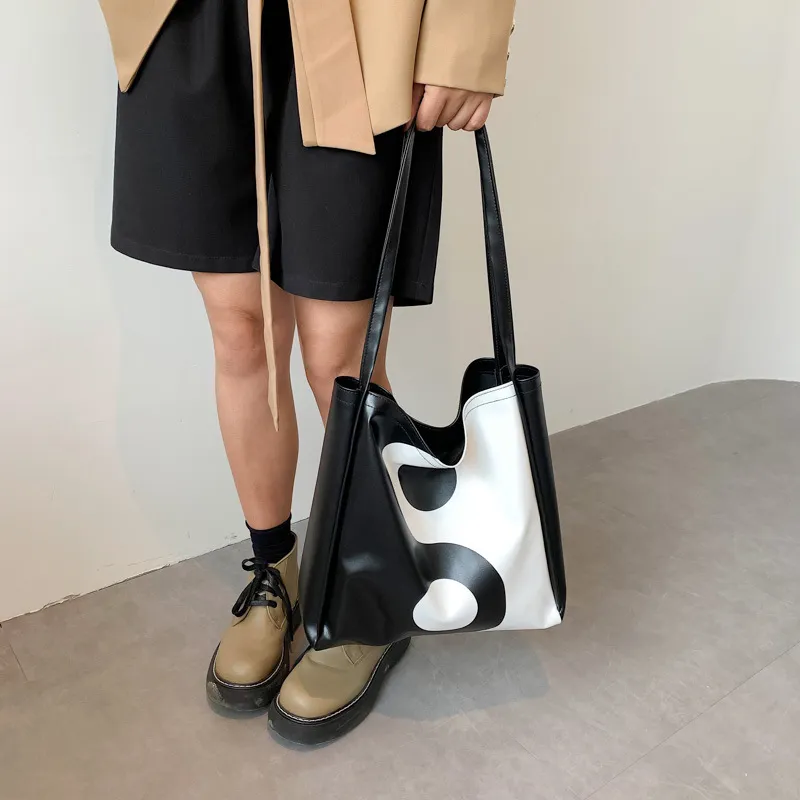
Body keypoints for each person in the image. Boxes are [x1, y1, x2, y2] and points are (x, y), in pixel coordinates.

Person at [99, 0, 516, 744]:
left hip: (355, 25)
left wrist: (466, 35)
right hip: (193, 25)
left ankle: (372, 596)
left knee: (340, 355)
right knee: (239, 330)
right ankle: (275, 571)